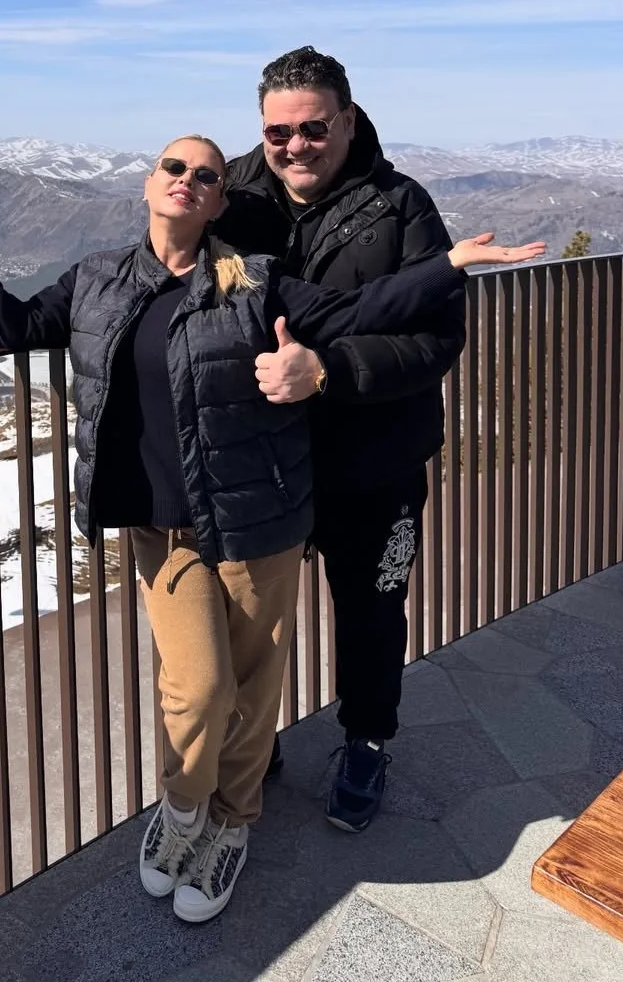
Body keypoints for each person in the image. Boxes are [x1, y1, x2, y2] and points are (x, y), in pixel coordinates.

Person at [0, 135, 542, 922]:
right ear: (148, 183)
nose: (188, 181)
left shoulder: (255, 282)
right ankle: (183, 805)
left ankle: (231, 823)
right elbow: (16, 327)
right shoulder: (96, 279)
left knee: (254, 686)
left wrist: (449, 265)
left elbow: (359, 312)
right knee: (197, 687)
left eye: (206, 176)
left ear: (220, 201)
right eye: (175, 168)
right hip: (163, 529)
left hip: (259, 519)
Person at [217, 45, 474, 833]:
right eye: (278, 132)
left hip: (376, 461)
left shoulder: (401, 205)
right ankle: (254, 741)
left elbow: (437, 339)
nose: (295, 146)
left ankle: (366, 739)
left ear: (348, 119)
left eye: (313, 128)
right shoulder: (230, 195)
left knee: (372, 610)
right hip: (263, 457)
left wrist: (327, 371)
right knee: (248, 616)